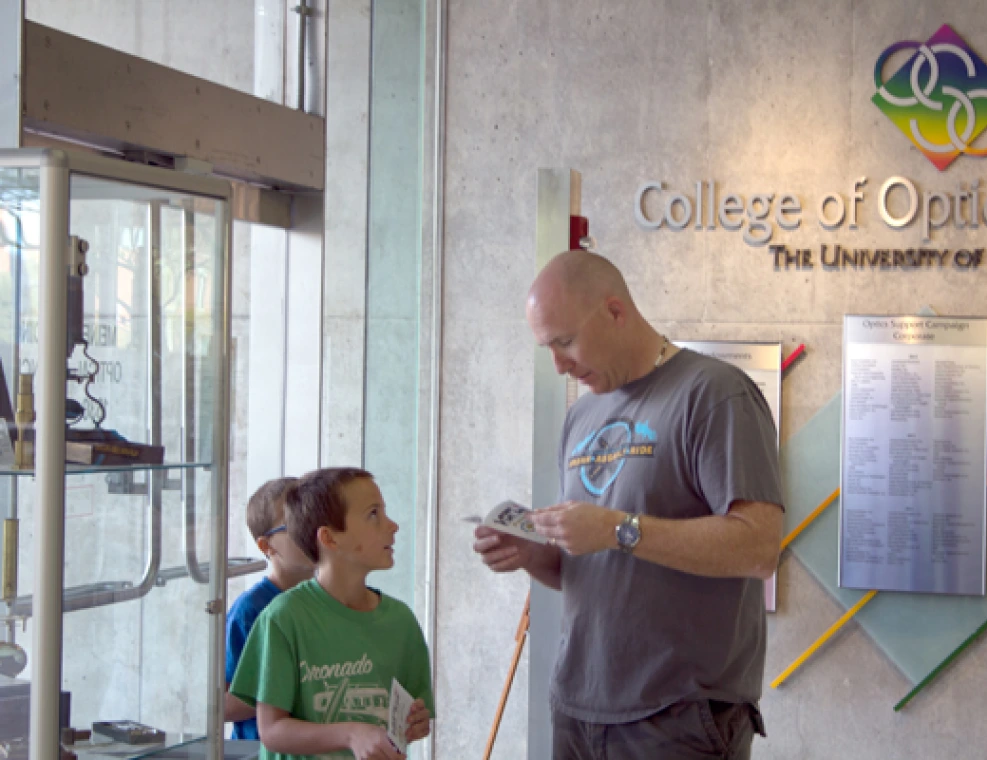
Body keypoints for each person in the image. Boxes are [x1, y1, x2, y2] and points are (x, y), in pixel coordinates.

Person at [474, 250, 784, 760]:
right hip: (578, 707)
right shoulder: (583, 415)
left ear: (615, 311)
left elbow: (758, 546)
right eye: (547, 348)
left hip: (677, 714)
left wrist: (620, 528)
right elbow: (590, 565)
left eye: (566, 341)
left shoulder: (715, 394)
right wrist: (531, 553)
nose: (558, 365)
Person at [231, 468, 434, 759]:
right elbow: (272, 731)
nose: (393, 526)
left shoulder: (401, 621)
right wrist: (350, 733)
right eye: (373, 514)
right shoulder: (283, 618)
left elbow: (411, 718)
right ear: (329, 538)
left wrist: (416, 723)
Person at [225, 476, 314, 740]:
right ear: (266, 545)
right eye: (296, 524)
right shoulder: (250, 610)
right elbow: (221, 704)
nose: (311, 532)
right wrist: (287, 690)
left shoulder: (331, 601)